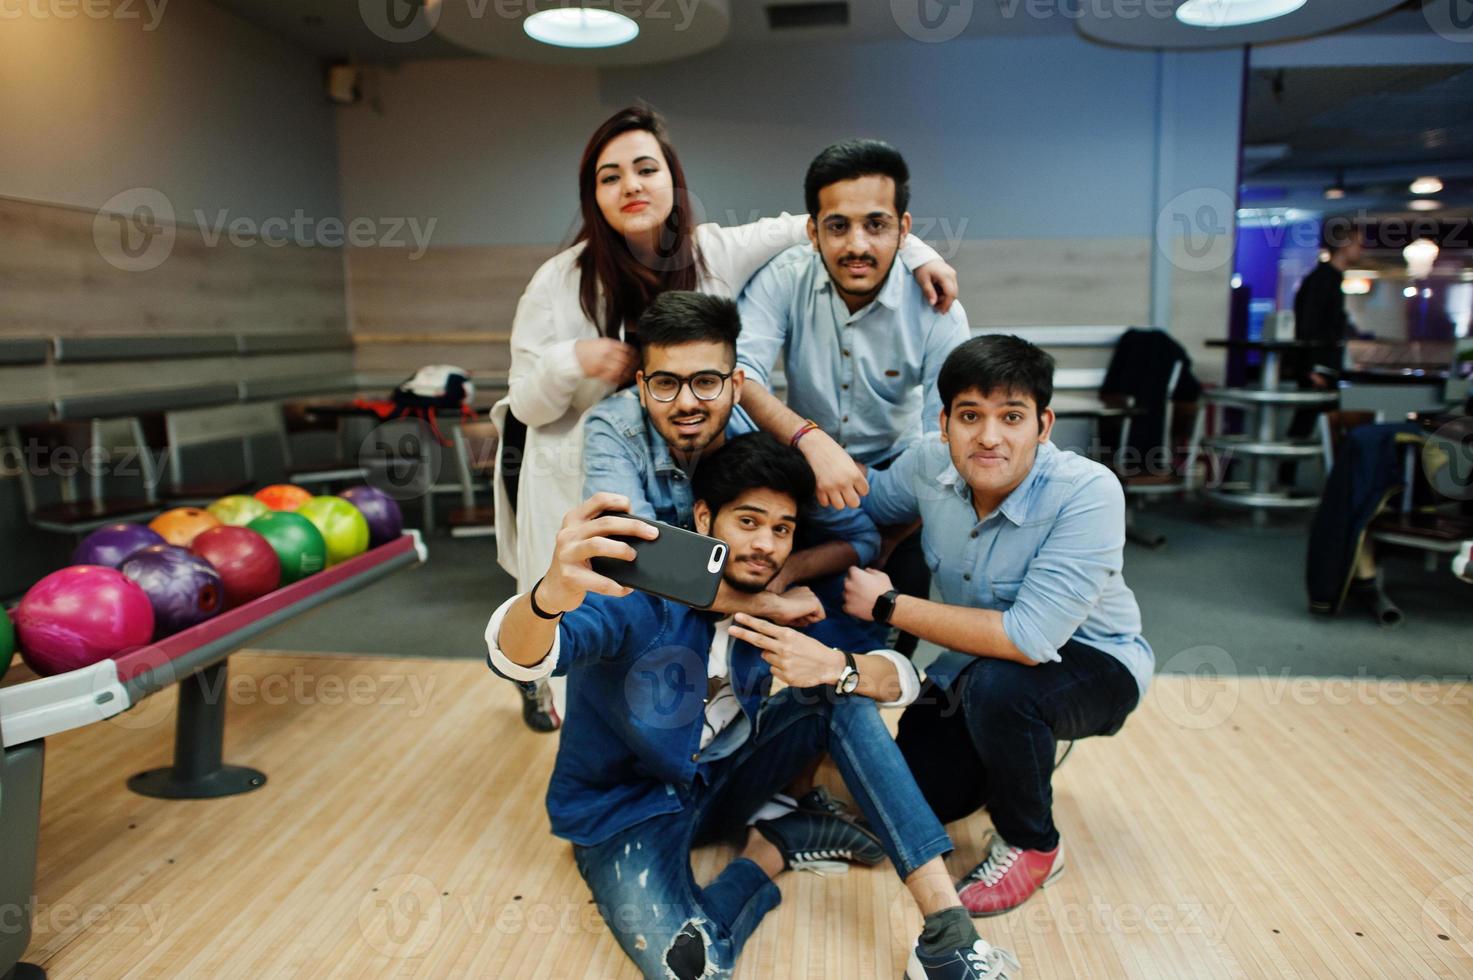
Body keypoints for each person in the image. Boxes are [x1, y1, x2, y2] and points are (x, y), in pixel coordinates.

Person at [492, 107, 960, 731]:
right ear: (591, 194)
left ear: (673, 180)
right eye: (610, 176)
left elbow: (823, 223)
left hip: (703, 465)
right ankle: (567, 698)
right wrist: (572, 360)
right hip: (585, 458)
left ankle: (775, 721)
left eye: (646, 169)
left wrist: (920, 251)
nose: (631, 186)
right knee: (589, 605)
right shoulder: (559, 282)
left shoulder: (715, 249)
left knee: (702, 600)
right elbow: (524, 402)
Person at [485, 434, 1020, 980]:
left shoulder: (789, 604)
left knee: (842, 696)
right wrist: (545, 598)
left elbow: (901, 680)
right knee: (693, 970)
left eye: (782, 529)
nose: (766, 544)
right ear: (702, 517)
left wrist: (838, 666)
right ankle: (773, 847)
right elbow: (521, 657)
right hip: (624, 810)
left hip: (718, 784)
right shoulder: (636, 602)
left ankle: (947, 935)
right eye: (748, 522)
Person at [842, 335, 1153, 917]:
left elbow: (1028, 642)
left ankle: (1035, 843)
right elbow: (859, 505)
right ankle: (1015, 755)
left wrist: (888, 606)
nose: (989, 437)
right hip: (971, 664)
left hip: (1094, 664)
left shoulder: (1087, 492)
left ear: (1044, 424)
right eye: (969, 416)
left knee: (1003, 691)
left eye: (1012, 417)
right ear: (944, 423)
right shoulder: (926, 464)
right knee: (927, 793)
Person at [735, 139, 971, 654]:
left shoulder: (938, 308)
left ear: (904, 231)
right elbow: (741, 374)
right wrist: (808, 440)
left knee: (885, 657)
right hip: (804, 476)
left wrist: (893, 534)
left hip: (899, 488)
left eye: (877, 225)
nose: (856, 245)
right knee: (784, 639)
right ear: (813, 231)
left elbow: (951, 440)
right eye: (838, 226)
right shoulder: (785, 276)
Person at [583, 290, 880, 626]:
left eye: (706, 381)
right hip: (654, 626)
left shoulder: (767, 444)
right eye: (666, 383)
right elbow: (632, 560)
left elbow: (861, 539)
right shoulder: (614, 428)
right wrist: (768, 604)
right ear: (642, 385)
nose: (686, 403)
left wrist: (787, 570)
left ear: (737, 385)